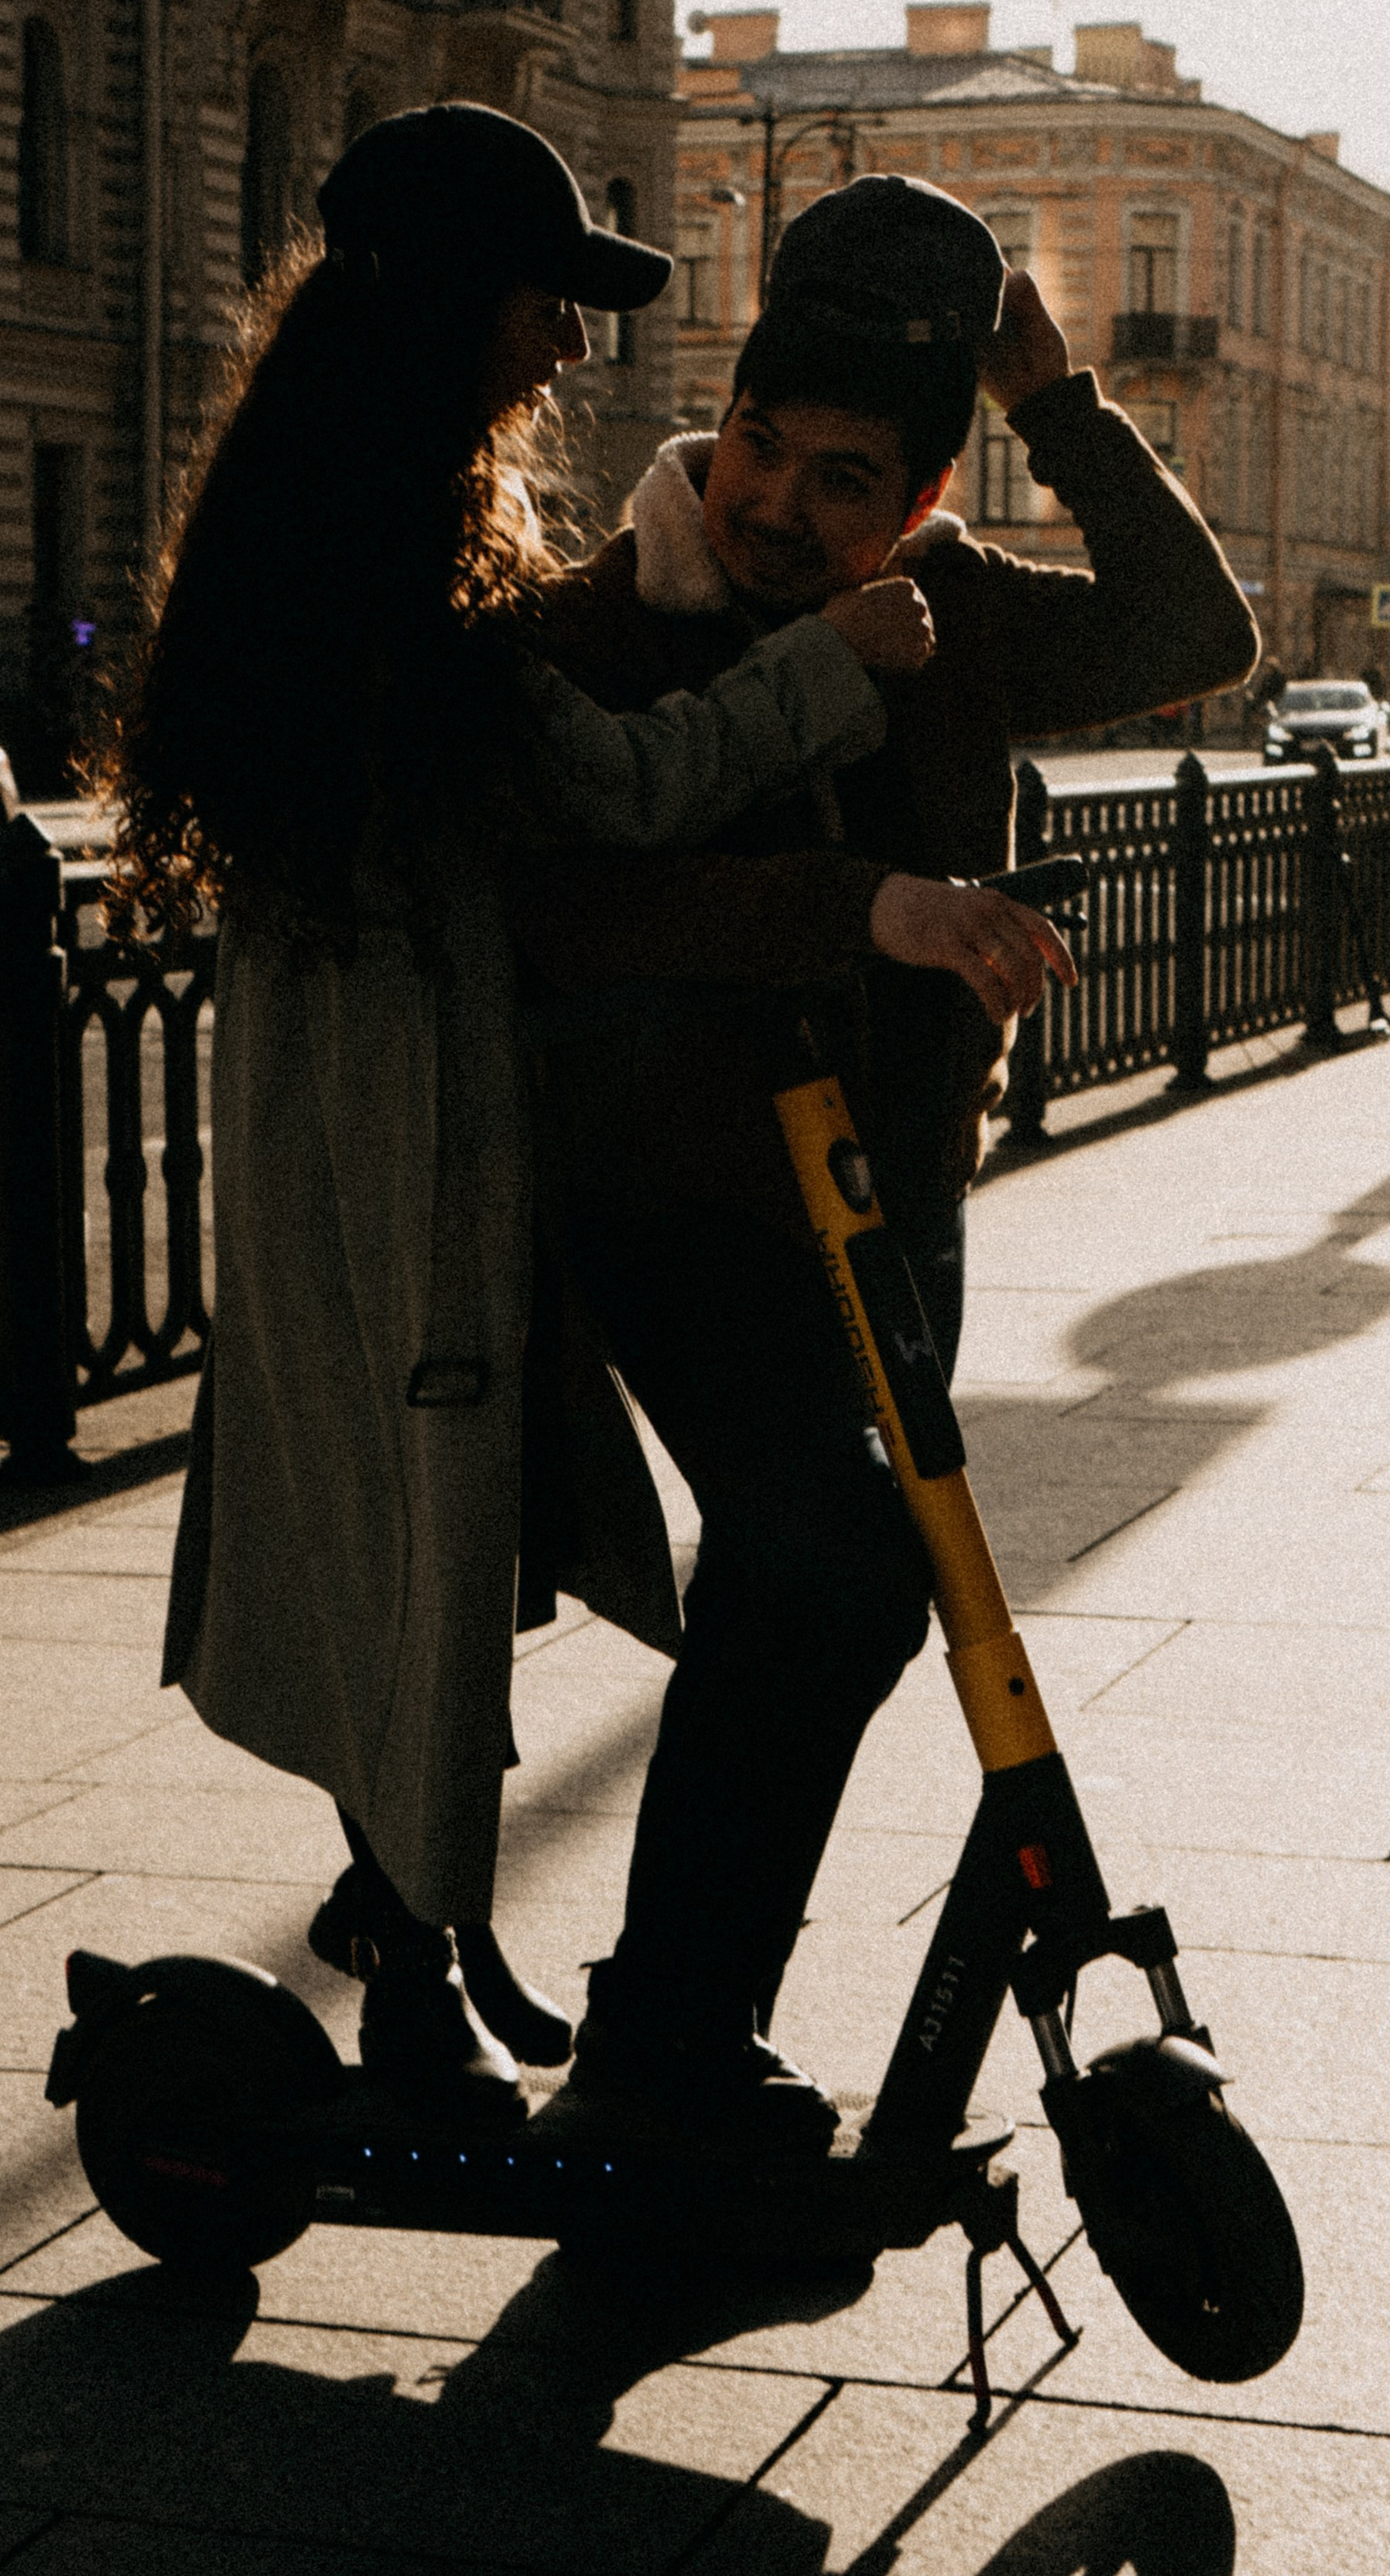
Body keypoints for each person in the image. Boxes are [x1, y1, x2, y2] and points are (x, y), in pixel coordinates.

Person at [101, 106, 1016, 2111]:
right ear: (454, 308)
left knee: (434, 1526)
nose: (566, 349)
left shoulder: (353, 516)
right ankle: (418, 1993)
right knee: (413, 1521)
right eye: (546, 304)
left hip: (385, 1099)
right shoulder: (386, 578)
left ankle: (415, 1938)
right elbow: (607, 799)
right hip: (397, 1117)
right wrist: (837, 674)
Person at [496, 173, 1258, 2145]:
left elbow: (1196, 629)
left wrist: (1061, 407)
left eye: (844, 479)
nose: (774, 504)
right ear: (719, 414)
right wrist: (874, 909)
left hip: (888, 1202)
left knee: (825, 1593)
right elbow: (580, 907)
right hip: (676, 1204)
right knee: (828, 1568)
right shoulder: (601, 631)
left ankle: (678, 2033)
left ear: (919, 498)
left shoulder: (963, 614)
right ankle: (660, 2042)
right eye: (759, 445)